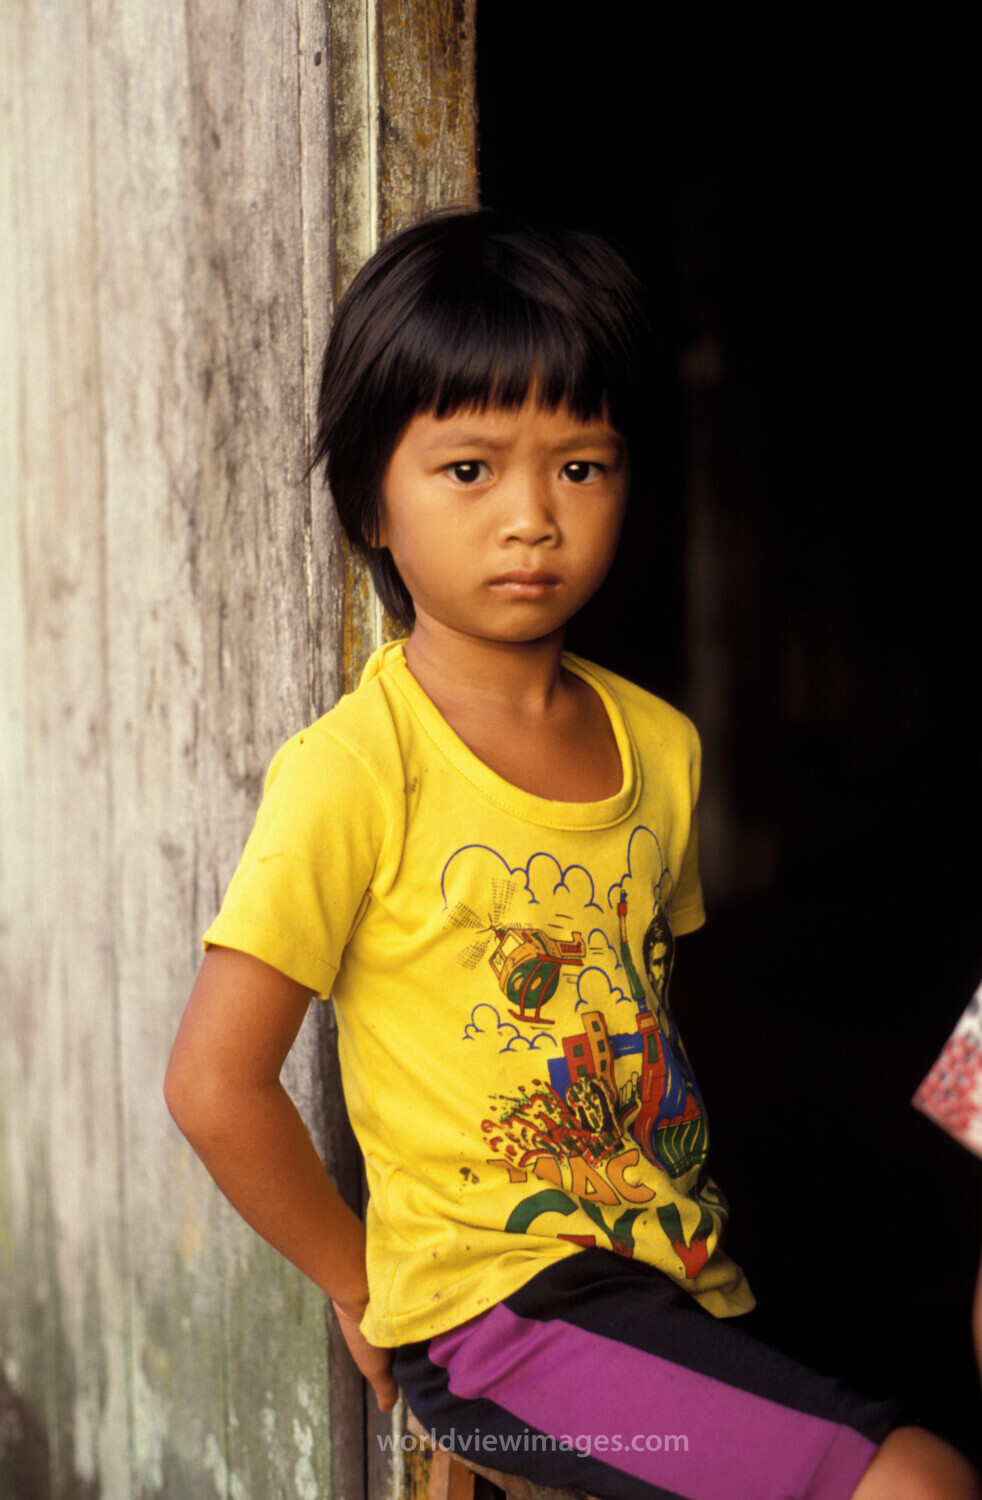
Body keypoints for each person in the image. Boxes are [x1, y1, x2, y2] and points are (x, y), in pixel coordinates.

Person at [165, 210, 980, 1499]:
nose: (532, 518)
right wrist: (365, 1284)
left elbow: (655, 1018)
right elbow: (215, 1084)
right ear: (373, 500)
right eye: (470, 469)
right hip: (502, 1334)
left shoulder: (659, 746)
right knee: (916, 1480)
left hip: (674, 1284)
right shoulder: (359, 768)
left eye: (581, 467)